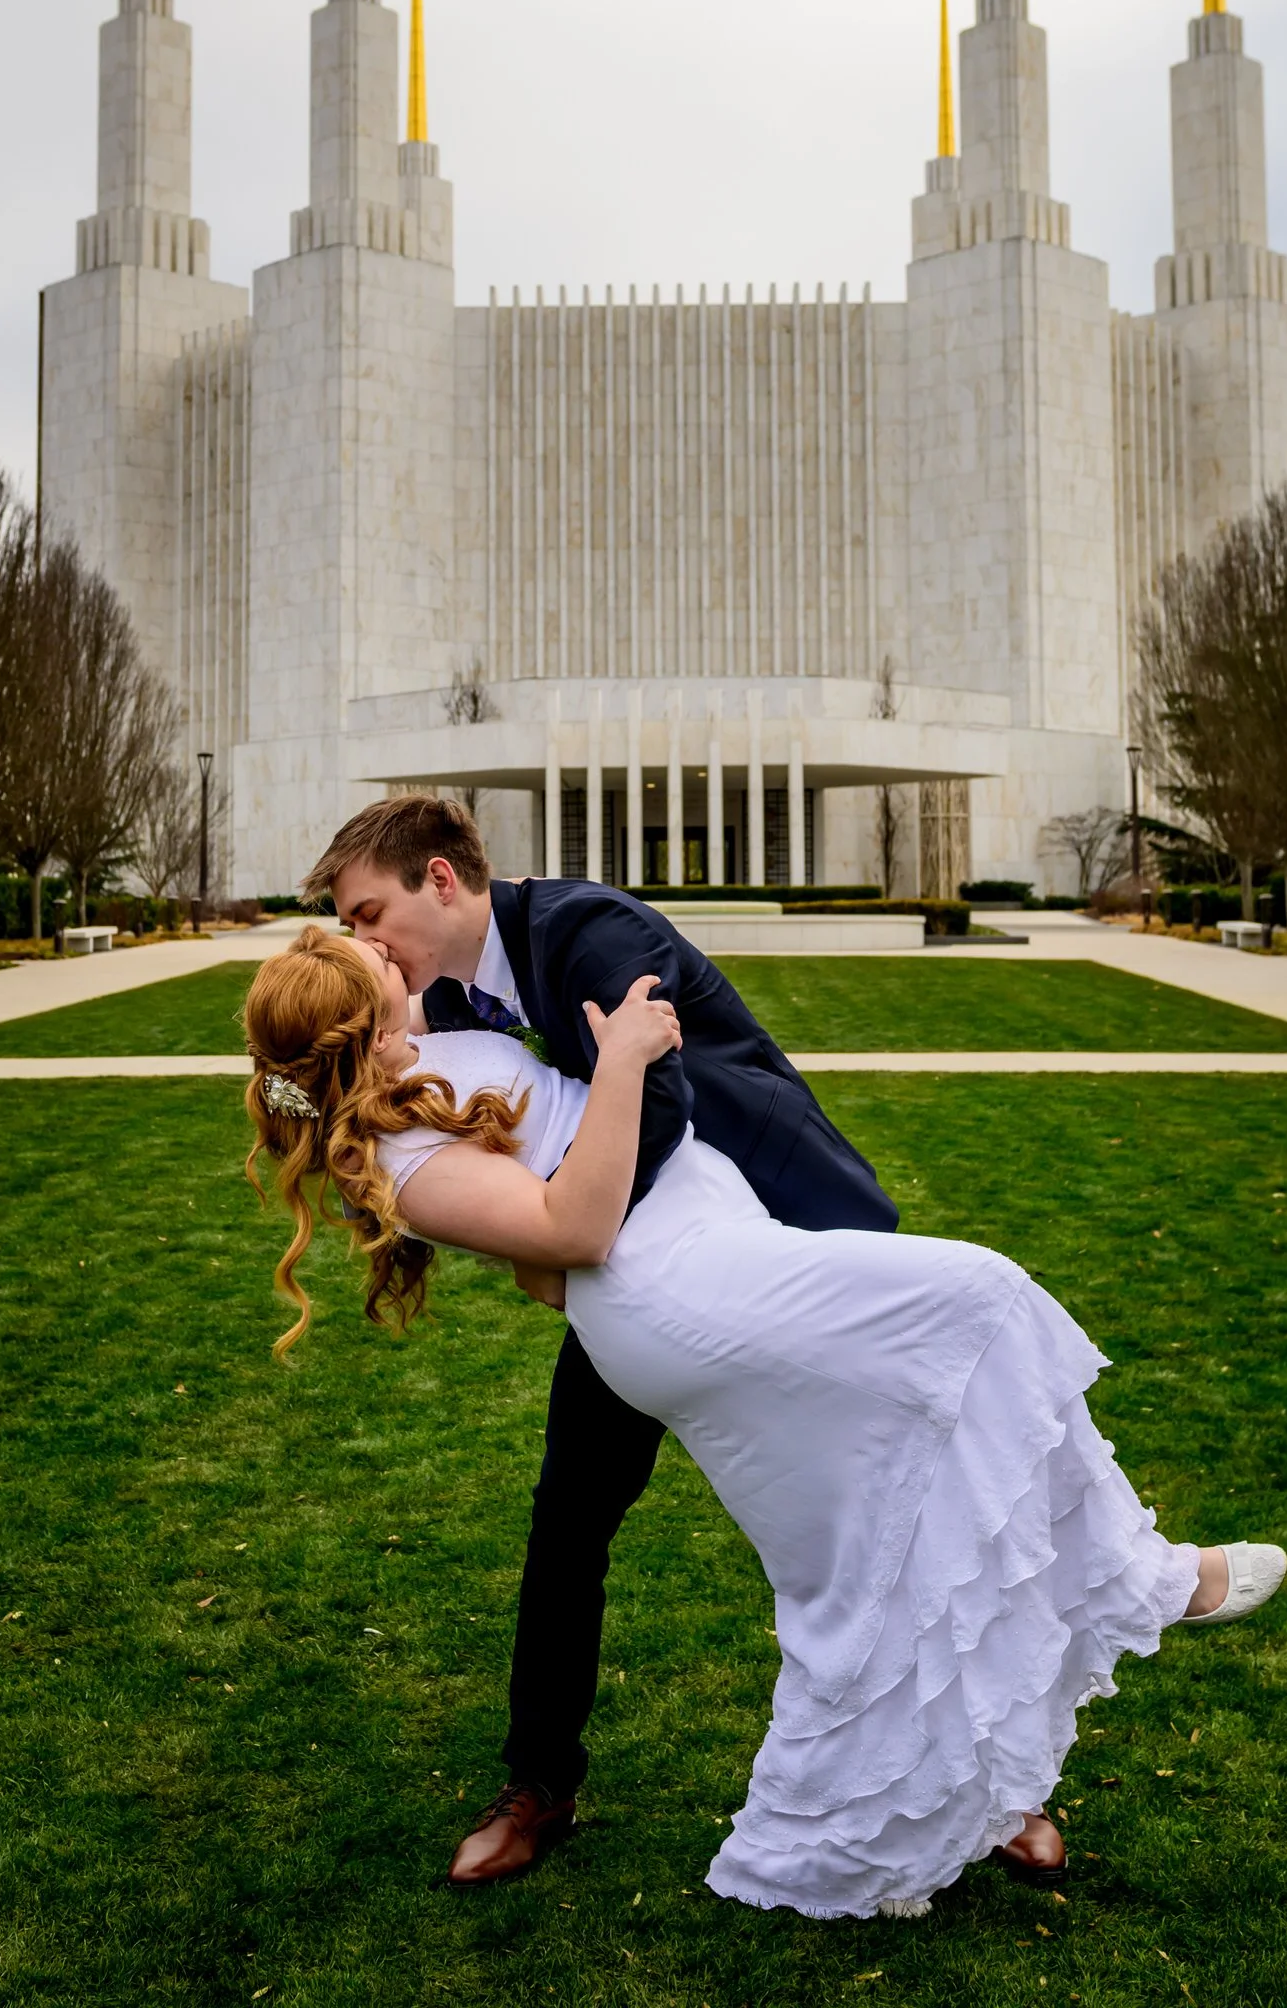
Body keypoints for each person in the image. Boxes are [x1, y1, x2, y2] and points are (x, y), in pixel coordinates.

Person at [243, 922, 1287, 1922]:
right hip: (687, 1288)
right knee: (983, 1300)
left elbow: (540, 1236)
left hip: (711, 1248)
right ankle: (1141, 1579)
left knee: (871, 1523)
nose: (377, 943)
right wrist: (624, 1065)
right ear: (364, 1031)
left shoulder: (434, 1046)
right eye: (366, 953)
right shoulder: (397, 1156)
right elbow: (572, 1231)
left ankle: (965, 1793)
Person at [298, 793, 902, 1886]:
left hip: (771, 1233)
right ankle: (540, 1786)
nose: (363, 940)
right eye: (349, 926)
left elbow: (657, 1112)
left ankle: (998, 1783)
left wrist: (550, 1252)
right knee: (569, 1519)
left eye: (370, 910)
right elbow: (339, 1065)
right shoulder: (428, 992)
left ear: (441, 879)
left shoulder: (590, 934)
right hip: (634, 1288)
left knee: (877, 1500)